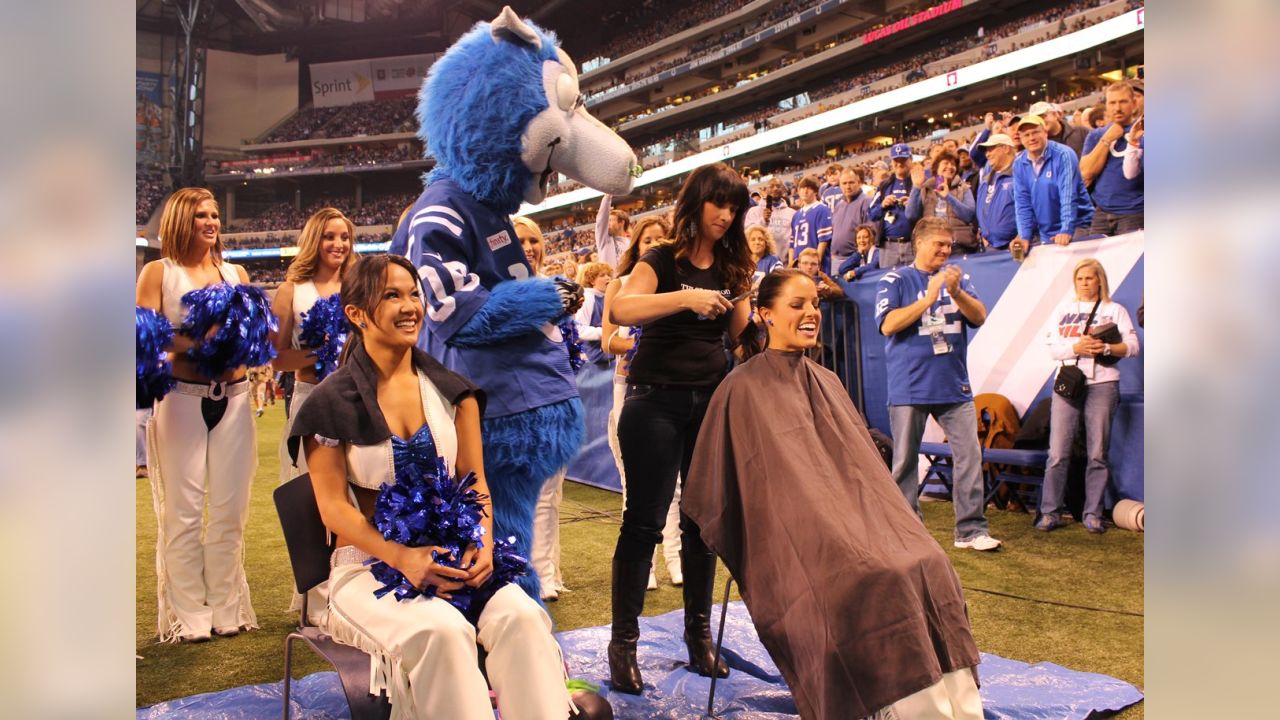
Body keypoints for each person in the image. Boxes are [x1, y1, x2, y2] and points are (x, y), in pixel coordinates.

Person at [684, 269, 983, 720]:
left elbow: (860, 474)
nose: (810, 314)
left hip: (865, 523)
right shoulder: (739, 389)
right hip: (804, 539)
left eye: (815, 304)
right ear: (764, 314)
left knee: (928, 562)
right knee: (873, 579)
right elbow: (723, 488)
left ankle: (957, 709)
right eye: (797, 305)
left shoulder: (828, 381)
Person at [290, 254, 574, 719]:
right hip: (367, 570)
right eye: (392, 295)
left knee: (522, 616)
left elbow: (475, 479)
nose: (410, 306)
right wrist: (401, 557)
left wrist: (482, 543)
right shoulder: (328, 404)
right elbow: (334, 509)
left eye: (414, 294)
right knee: (442, 630)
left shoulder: (455, 392)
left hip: (454, 558)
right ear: (356, 314)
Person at [607, 162, 753, 695]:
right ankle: (624, 643)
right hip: (654, 403)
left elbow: (741, 338)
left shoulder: (735, 265)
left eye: (734, 207)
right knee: (644, 523)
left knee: (700, 525)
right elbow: (621, 307)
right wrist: (686, 298)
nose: (726, 215)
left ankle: (698, 637)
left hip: (710, 404)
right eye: (719, 203)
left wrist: (759, 309)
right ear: (696, 203)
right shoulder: (661, 258)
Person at [135, 187, 259, 642]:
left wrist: (242, 342)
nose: (210, 222)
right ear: (179, 222)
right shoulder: (158, 273)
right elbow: (143, 338)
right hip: (182, 399)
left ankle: (226, 607)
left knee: (230, 510)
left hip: (237, 396)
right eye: (199, 215)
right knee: (184, 513)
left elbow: (253, 339)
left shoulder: (234, 272)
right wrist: (198, 342)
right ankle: (189, 616)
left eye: (213, 215)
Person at [875, 218, 1001, 551]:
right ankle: (908, 533)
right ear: (919, 243)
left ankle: (971, 530)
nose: (946, 251)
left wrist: (956, 292)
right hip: (910, 386)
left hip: (953, 385)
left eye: (949, 245)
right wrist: (927, 300)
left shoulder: (958, 278)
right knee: (904, 462)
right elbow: (888, 325)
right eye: (939, 245)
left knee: (970, 457)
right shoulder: (896, 279)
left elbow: (979, 316)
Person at [601, 215, 684, 593]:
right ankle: (644, 566)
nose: (653, 244)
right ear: (636, 245)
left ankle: (676, 560)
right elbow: (607, 342)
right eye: (647, 239)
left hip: (668, 383)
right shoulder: (619, 285)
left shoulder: (674, 285)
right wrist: (637, 343)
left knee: (675, 483)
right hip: (629, 386)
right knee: (635, 483)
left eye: (660, 238)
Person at [1039, 259, 1140, 533]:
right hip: (1069, 384)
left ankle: (1093, 513)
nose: (1084, 283)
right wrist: (1077, 346)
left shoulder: (1114, 310)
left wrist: (1104, 348)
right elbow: (1052, 348)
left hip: (1103, 385)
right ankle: (1050, 512)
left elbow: (1132, 347)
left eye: (1089, 278)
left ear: (1100, 281)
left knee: (1098, 453)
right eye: (1080, 279)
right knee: (1057, 453)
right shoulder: (1063, 310)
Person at [271, 207, 355, 486]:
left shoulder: (360, 286)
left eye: (345, 237)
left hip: (357, 397)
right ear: (314, 241)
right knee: (312, 487)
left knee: (358, 486)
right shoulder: (291, 290)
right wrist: (322, 355)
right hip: (310, 398)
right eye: (329, 237)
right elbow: (277, 359)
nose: (339, 244)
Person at [513, 215, 572, 601]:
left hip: (552, 404)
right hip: (510, 408)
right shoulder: (493, 291)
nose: (530, 247)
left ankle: (545, 573)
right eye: (520, 240)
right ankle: (514, 572)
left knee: (549, 497)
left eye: (534, 240)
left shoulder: (556, 292)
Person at [1010, 114, 1093, 257]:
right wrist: (1024, 236)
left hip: (1078, 225)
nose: (1031, 138)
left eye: (1035, 132)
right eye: (1026, 135)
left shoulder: (1063, 155)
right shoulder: (1019, 163)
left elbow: (1068, 195)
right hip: (1045, 231)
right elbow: (1022, 203)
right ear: (1021, 139)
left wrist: (1066, 229)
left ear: (1045, 133)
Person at [1079, 81, 1144, 234]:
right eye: (1112, 103)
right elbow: (1086, 173)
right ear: (1106, 105)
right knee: (1095, 259)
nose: (1117, 108)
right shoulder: (1097, 135)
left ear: (1133, 103)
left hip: (1135, 212)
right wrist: (1107, 139)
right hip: (1101, 212)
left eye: (1123, 102)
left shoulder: (1143, 131)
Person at [906, 151, 978, 254]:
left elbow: (969, 215)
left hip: (959, 246)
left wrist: (948, 197)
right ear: (936, 168)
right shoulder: (925, 189)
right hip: (932, 246)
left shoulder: (964, 188)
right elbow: (911, 216)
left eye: (953, 164)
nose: (950, 166)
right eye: (945, 163)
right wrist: (916, 187)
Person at [868, 143, 917, 268]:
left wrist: (912, 204)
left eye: (903, 160)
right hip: (888, 246)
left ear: (910, 159)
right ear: (891, 162)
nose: (899, 164)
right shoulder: (885, 185)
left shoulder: (918, 182)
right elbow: (871, 214)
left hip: (913, 244)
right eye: (896, 160)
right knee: (889, 282)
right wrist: (883, 205)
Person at [971, 133, 1020, 252]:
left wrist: (1022, 235)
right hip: (991, 247)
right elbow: (980, 210)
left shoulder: (1020, 174)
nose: (987, 154)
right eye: (986, 151)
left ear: (1006, 148)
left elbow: (1031, 209)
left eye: (991, 149)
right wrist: (983, 233)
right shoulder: (985, 181)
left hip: (1016, 244)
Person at [829, 167, 873, 273]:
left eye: (851, 182)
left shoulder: (866, 202)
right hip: (836, 260)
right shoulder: (839, 205)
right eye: (844, 183)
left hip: (855, 260)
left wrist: (859, 254)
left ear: (859, 182)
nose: (847, 186)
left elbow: (870, 233)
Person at [741, 176, 796, 258]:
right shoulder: (754, 211)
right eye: (771, 186)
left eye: (778, 186)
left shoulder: (792, 213)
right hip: (759, 264)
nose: (775, 189)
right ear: (766, 190)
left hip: (784, 265)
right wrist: (763, 220)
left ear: (784, 189)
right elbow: (747, 234)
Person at [788, 175, 833, 269]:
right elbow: (792, 244)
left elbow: (823, 240)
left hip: (812, 264)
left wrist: (817, 263)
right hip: (799, 263)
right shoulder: (796, 215)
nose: (805, 191)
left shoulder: (822, 210)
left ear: (816, 191)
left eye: (809, 188)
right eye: (802, 188)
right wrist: (790, 265)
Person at [574, 262, 615, 367]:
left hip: (610, 354)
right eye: (602, 275)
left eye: (608, 275)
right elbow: (580, 330)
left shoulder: (606, 296)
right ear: (592, 281)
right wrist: (607, 332)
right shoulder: (588, 298)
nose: (607, 278)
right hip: (598, 359)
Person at [594, 195, 630, 269]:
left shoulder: (631, 244)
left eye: (610, 220)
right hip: (609, 279)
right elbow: (601, 221)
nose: (607, 224)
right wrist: (607, 197)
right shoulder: (604, 240)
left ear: (621, 223)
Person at [747, 224, 782, 289]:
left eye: (760, 239)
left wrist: (759, 287)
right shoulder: (743, 262)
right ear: (747, 243)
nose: (757, 242)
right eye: (753, 239)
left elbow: (779, 283)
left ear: (766, 243)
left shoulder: (773, 261)